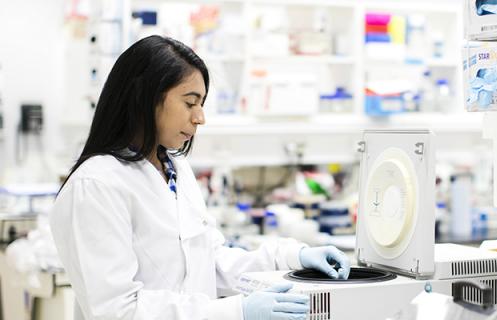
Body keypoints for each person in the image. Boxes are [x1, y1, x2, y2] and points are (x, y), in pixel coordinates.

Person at [50, 35, 350, 320]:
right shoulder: (97, 185)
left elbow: (209, 261)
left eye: (202, 104)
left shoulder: (175, 169)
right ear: (145, 97)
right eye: (190, 102)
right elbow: (116, 310)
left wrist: (290, 258)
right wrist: (236, 312)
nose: (200, 117)